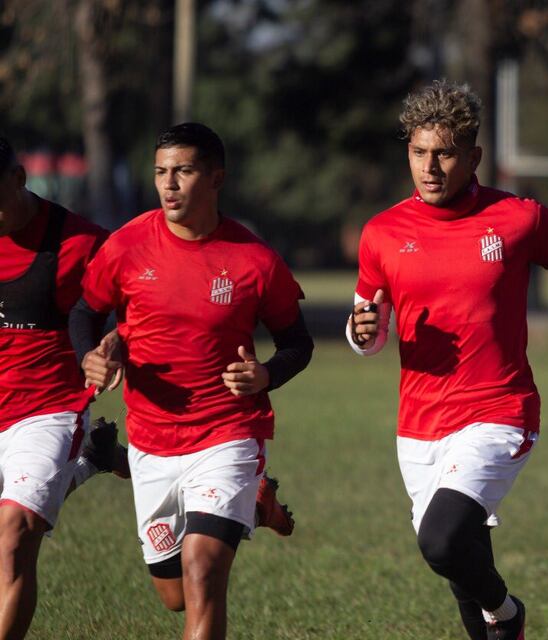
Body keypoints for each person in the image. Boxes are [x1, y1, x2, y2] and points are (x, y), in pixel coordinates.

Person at [348, 80, 548, 640]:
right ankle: (499, 623)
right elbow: (369, 334)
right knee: (461, 564)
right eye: (419, 152)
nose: (430, 167)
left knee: (440, 541)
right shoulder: (381, 233)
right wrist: (359, 332)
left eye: (444, 153)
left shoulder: (519, 218)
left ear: (474, 157)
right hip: (418, 426)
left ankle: (508, 612)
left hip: (498, 411)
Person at [74, 123, 312, 640]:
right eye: (161, 171)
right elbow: (84, 313)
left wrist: (266, 374)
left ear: (216, 178)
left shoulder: (255, 260)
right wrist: (90, 356)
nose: (169, 183)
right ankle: (257, 504)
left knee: (202, 572)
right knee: (175, 595)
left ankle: (243, 494)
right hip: (151, 440)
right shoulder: (127, 245)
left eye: (183, 171)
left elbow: (298, 344)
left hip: (227, 435)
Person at [0, 136, 125, 639]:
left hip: (46, 409)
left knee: (15, 535)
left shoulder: (81, 242)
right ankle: (92, 459)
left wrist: (114, 344)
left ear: (17, 179)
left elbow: (141, 305)